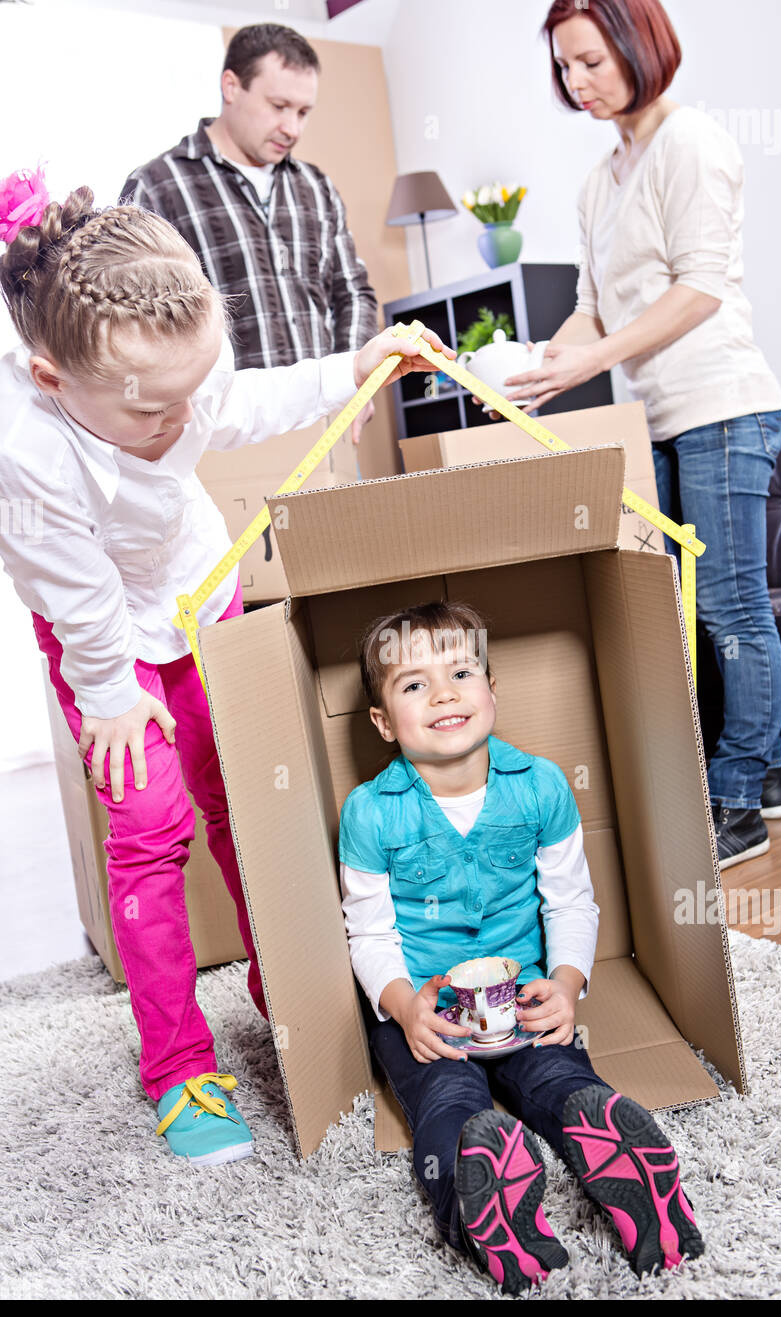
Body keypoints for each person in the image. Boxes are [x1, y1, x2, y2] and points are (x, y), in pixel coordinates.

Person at [0, 178, 449, 1165]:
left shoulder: (178, 377)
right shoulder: (27, 453)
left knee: (245, 801)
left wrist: (353, 367)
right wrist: (113, 699)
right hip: (104, 642)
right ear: (50, 380)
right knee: (150, 829)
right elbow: (73, 595)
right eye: (156, 410)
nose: (184, 420)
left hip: (198, 598)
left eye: (191, 391)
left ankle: (289, 988)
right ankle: (176, 1064)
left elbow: (242, 399)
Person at [338, 600, 703, 1293]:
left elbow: (571, 902)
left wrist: (566, 986)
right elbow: (370, 932)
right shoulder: (369, 811)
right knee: (448, 1101)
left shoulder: (539, 786)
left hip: (522, 992)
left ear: (492, 691)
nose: (444, 693)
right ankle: (481, 1203)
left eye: (461, 672)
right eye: (414, 684)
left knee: (558, 1076)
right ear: (384, 722)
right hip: (427, 1005)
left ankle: (624, 1168)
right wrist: (403, 1006)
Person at [505, 0, 781, 869]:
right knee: (675, 611)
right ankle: (764, 775)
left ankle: (737, 798)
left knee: (733, 608)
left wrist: (588, 363)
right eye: (563, 67)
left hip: (723, 404)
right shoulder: (601, 180)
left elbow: (698, 290)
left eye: (590, 61)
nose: (576, 82)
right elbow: (592, 307)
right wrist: (526, 370)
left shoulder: (692, 141)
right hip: (654, 421)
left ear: (639, 46)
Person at [120, 23, 378, 443]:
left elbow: (351, 292)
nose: (292, 128)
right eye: (279, 106)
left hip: (324, 422)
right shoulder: (156, 185)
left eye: (303, 112)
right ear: (231, 86)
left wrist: (357, 378)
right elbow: (137, 323)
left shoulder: (315, 186)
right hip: (219, 434)